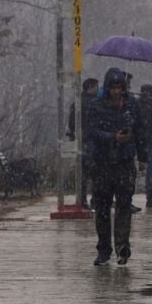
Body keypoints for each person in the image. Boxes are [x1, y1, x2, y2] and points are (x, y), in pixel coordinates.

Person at [87, 66, 147, 266]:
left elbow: (140, 130)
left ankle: (122, 246)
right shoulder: (96, 106)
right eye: (112, 88)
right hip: (102, 163)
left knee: (123, 206)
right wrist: (113, 138)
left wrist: (142, 156)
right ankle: (104, 249)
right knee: (102, 209)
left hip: (124, 162)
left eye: (119, 87)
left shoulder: (132, 106)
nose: (116, 92)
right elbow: (92, 132)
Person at [66, 77, 100, 208]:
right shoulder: (94, 103)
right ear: (90, 87)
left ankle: (82, 199)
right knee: (95, 172)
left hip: (81, 140)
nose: (98, 89)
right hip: (91, 141)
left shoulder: (78, 102)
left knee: (83, 172)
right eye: (96, 87)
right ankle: (95, 200)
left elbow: (71, 122)